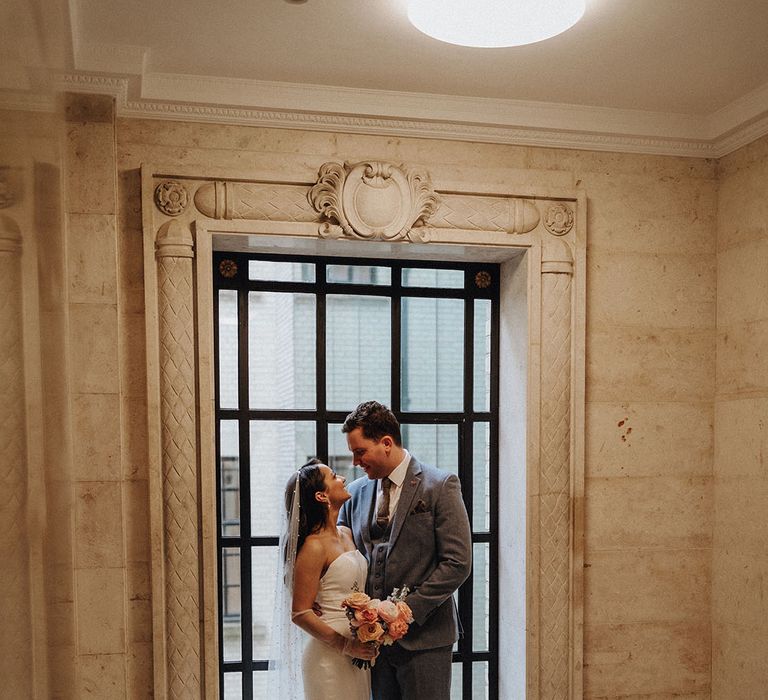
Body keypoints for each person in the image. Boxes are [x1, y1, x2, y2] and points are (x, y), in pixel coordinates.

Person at [338, 401, 472, 699]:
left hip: (425, 640)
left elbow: (457, 562)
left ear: (386, 443)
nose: (355, 462)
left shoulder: (440, 485)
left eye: (360, 452)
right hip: (370, 643)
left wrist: (406, 610)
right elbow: (338, 554)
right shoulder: (355, 493)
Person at [267, 458, 377, 700]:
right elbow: (300, 613)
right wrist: (346, 646)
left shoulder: (347, 533)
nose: (343, 479)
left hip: (358, 654)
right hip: (328, 657)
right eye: (334, 476)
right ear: (321, 496)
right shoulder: (313, 547)